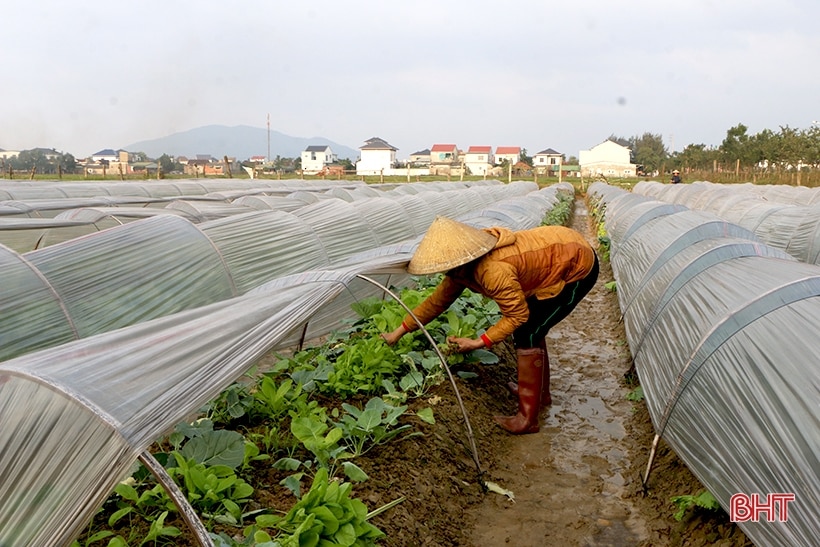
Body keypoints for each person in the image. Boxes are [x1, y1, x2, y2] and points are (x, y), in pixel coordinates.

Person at [381, 216, 599, 435]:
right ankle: (539, 394)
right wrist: (398, 332)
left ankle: (527, 420)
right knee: (533, 330)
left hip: (577, 267)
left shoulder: (493, 271)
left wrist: (478, 342)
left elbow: (517, 316)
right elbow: (437, 302)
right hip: (558, 253)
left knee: (528, 332)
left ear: (459, 259)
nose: (442, 271)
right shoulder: (462, 268)